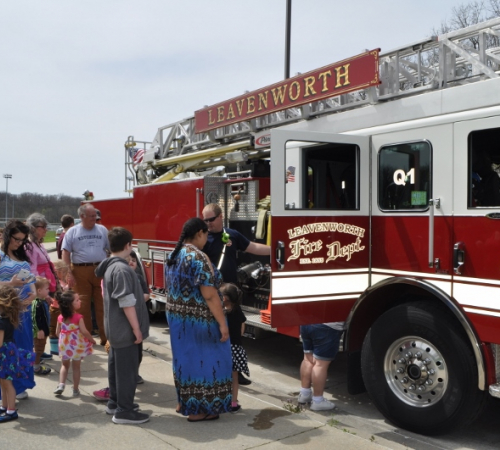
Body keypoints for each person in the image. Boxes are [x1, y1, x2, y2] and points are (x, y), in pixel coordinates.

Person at [165, 217, 232, 422]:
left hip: (178, 319)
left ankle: (185, 403)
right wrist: (222, 324)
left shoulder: (174, 255)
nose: (207, 240)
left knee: (185, 362)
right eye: (206, 235)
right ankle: (202, 409)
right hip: (200, 321)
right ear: (200, 234)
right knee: (209, 363)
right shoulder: (198, 257)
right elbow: (210, 295)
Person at [202, 203, 270, 386]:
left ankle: (236, 371)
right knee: (217, 331)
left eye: (211, 219)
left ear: (220, 216)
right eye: (205, 220)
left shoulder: (232, 234)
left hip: (232, 292)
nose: (208, 224)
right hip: (213, 293)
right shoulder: (203, 238)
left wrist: (276, 250)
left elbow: (252, 247)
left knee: (238, 327)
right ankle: (219, 370)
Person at [95, 227, 150, 425]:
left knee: (116, 368)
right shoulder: (121, 269)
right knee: (127, 372)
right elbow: (126, 302)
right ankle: (125, 411)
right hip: (124, 330)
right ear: (128, 245)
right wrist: (136, 329)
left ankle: (115, 403)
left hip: (115, 330)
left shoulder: (111, 266)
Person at [62, 203, 110, 346]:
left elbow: (110, 249)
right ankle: (86, 338)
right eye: (91, 216)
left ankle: (105, 338)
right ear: (81, 216)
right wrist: (68, 272)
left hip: (100, 269)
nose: (94, 219)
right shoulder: (72, 232)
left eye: (95, 216)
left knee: (103, 305)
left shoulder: (102, 230)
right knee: (82, 306)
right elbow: (66, 253)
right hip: (80, 271)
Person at [0, 220, 37, 400]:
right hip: (5, 312)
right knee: (7, 349)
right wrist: (11, 283)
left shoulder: (20, 255)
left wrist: (33, 293)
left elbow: (30, 279)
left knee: (22, 348)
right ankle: (6, 389)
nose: (19, 243)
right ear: (7, 235)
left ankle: (19, 385)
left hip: (23, 310)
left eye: (22, 240)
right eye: (16, 239)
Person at [26, 212, 59, 362]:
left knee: (44, 318)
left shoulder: (38, 243)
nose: (46, 229)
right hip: (39, 288)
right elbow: (31, 269)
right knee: (39, 321)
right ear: (33, 228)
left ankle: (40, 350)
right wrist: (39, 292)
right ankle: (36, 352)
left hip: (45, 286)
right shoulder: (30, 246)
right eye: (42, 227)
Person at [0, 285, 35, 422]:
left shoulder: (2, 322)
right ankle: (4, 406)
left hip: (4, 355)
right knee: (3, 382)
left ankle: (11, 410)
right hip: (7, 353)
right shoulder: (8, 319)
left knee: (7, 383)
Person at [54, 290, 95, 396]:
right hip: (77, 346)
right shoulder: (78, 317)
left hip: (64, 346)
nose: (80, 301)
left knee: (64, 365)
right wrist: (91, 339)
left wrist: (64, 339)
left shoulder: (60, 317)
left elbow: (57, 332)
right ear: (70, 305)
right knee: (76, 368)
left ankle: (61, 384)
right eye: (77, 300)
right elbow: (84, 331)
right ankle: (75, 389)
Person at [297, 322, 344, 411]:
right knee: (320, 365)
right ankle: (318, 401)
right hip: (327, 327)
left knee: (307, 359)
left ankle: (304, 394)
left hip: (306, 322)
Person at [220, 283, 249, 413]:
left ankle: (220, 400)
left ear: (224, 298)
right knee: (234, 379)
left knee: (221, 377)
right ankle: (233, 403)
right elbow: (242, 328)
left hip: (223, 348)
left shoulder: (221, 313)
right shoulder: (238, 310)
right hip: (236, 348)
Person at [31, 277, 52, 376]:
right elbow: (35, 318)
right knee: (38, 349)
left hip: (44, 330)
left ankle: (36, 362)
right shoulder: (37, 303)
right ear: (39, 291)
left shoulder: (42, 301)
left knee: (40, 348)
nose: (49, 290)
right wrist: (39, 330)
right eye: (47, 289)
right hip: (39, 332)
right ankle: (35, 367)